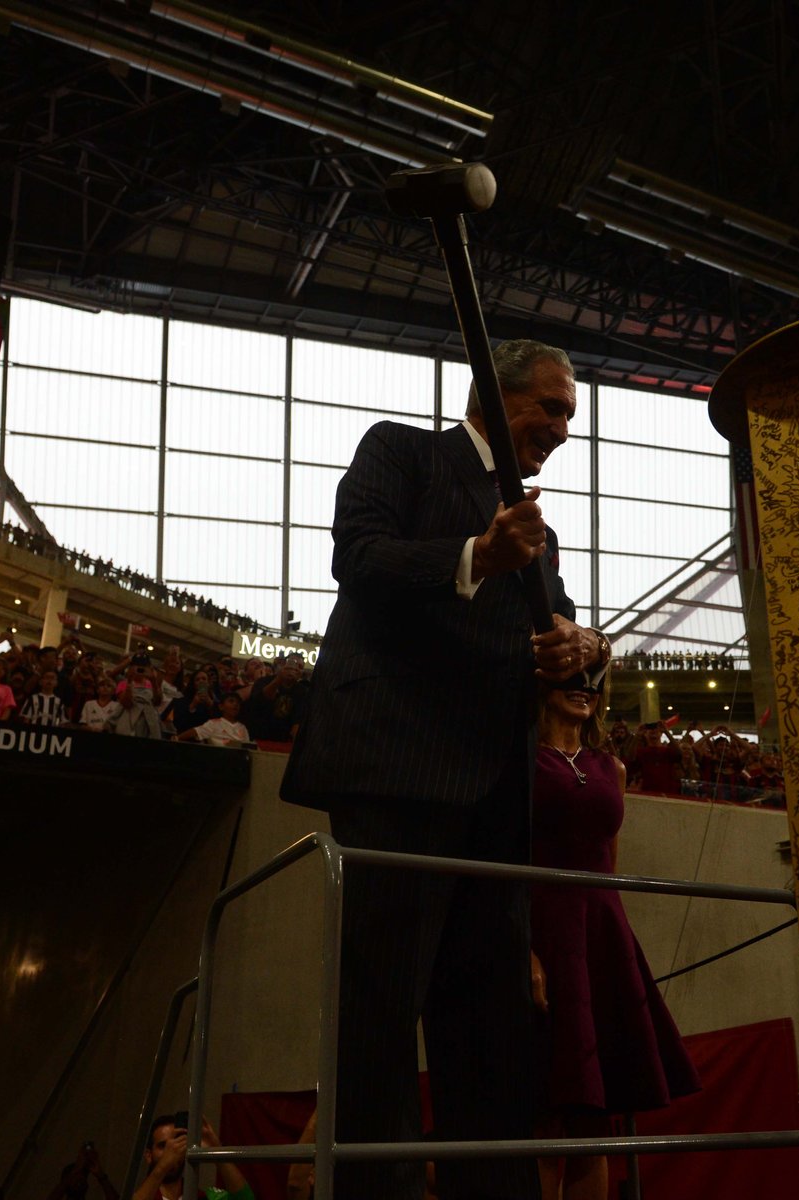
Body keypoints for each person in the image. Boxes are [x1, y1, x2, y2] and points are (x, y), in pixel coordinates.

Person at [281, 339, 610, 1200]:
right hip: (398, 767)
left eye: (570, 414)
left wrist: (588, 643)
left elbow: (565, 631)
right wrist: (475, 554)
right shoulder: (403, 451)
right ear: (493, 398)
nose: (562, 430)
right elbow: (358, 555)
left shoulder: (537, 531)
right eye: (550, 408)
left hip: (497, 795)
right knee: (381, 1013)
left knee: (490, 1025)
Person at [531, 674, 699, 1200]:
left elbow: (611, 857)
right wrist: (521, 946)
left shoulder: (613, 767)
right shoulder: (519, 760)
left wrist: (615, 935)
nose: (584, 689)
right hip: (542, 924)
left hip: (602, 932)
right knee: (545, 1114)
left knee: (593, 1116)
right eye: (570, 679)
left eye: (593, 682)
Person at [133, 1114, 252, 1200]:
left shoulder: (205, 1197)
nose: (172, 1149)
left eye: (177, 1142)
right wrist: (163, 1166)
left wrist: (215, 1149)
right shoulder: (140, 1195)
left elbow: (245, 1198)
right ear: (148, 1156)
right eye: (163, 1146)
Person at [178, 692, 250, 747]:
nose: (235, 704)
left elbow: (247, 747)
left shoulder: (242, 727)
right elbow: (196, 731)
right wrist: (177, 738)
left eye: (238, 703)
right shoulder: (213, 723)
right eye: (231, 701)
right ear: (221, 706)